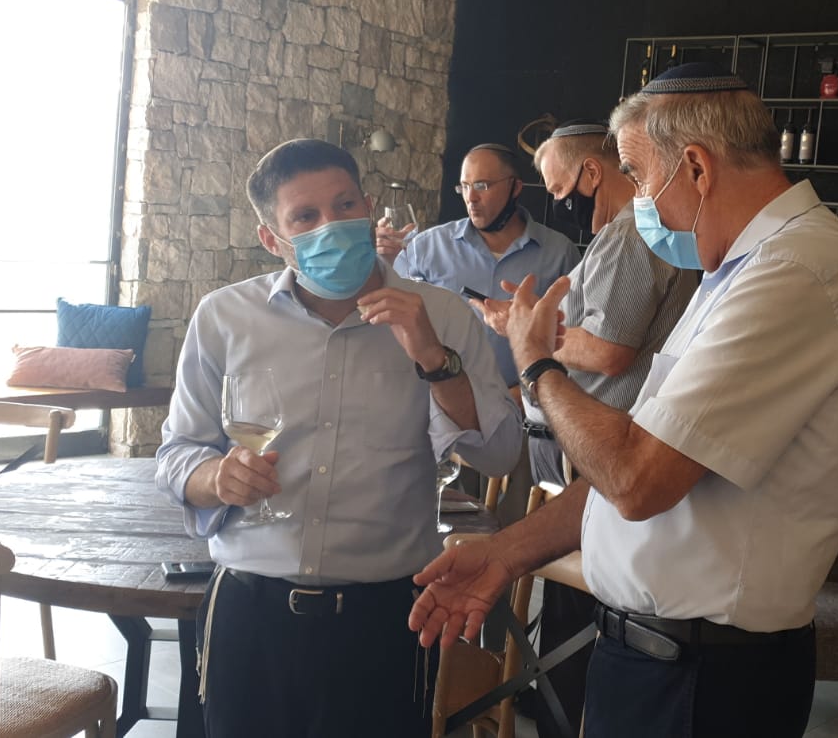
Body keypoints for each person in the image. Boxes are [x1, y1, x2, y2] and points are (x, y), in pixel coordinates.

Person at [408, 63, 838, 737]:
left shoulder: (798, 272)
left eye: (636, 175)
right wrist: (504, 553)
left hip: (704, 677)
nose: (635, 201)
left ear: (695, 167)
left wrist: (538, 362)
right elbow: (645, 458)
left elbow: (636, 480)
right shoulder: (734, 272)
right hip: (664, 660)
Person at [156, 138, 521, 738]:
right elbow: (176, 454)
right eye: (305, 216)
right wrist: (214, 477)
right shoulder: (224, 317)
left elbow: (500, 454)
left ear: (368, 207)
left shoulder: (442, 315)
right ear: (272, 238)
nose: (332, 225)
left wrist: (434, 360)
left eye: (345, 204)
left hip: (388, 616)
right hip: (251, 612)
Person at [475, 119, 698, 737]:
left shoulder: (630, 235)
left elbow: (608, 351)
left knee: (578, 618)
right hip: (586, 451)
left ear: (592, 173)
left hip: (596, 451)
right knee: (571, 614)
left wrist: (528, 336)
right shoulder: (632, 235)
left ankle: (558, 717)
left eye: (558, 189)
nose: (557, 203)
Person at [378, 142, 581, 389]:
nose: (471, 198)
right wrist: (383, 261)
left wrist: (526, 396)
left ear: (515, 187)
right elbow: (385, 310)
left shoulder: (560, 253)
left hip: (524, 402)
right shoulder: (426, 247)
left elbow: (575, 340)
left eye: (482, 186)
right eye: (464, 186)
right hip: (440, 398)